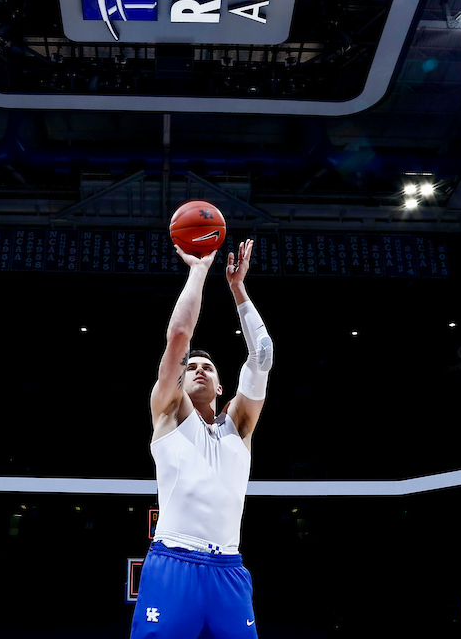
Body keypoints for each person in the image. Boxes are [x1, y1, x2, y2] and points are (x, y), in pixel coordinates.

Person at [130, 238, 272, 639]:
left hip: (229, 570)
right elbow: (178, 334)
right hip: (173, 562)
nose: (197, 369)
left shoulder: (240, 427)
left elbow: (262, 353)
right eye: (191, 365)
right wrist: (199, 272)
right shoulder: (169, 411)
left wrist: (238, 288)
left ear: (222, 385)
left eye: (207, 366)